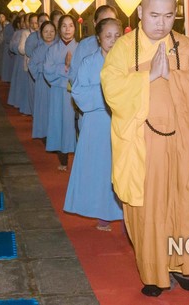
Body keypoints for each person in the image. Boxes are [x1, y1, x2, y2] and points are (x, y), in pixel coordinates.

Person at [100, 0, 189, 297]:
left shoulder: (185, 46)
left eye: (168, 16)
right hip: (144, 145)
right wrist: (147, 76)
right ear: (140, 12)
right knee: (150, 211)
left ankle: (185, 266)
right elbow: (111, 86)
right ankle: (154, 272)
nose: (161, 23)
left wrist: (174, 78)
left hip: (184, 144)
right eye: (154, 15)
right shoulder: (125, 48)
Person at [64, 18, 123, 230]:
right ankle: (103, 212)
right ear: (99, 39)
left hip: (122, 123)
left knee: (122, 169)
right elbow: (78, 93)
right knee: (101, 170)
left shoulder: (129, 62)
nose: (113, 40)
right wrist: (108, 93)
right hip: (97, 123)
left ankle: (127, 215)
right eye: (108, 36)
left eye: (117, 36)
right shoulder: (89, 62)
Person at [43, 14, 78, 170]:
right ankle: (63, 159)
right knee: (61, 124)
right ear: (59, 29)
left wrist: (67, 70)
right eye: (64, 26)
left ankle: (79, 158)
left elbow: (83, 71)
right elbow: (47, 72)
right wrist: (65, 67)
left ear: (75, 28)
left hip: (76, 92)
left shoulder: (80, 48)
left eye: (71, 25)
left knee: (75, 125)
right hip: (58, 93)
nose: (67, 29)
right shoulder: (53, 49)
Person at [69, 5, 118, 84]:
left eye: (112, 21)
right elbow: (74, 76)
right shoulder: (84, 46)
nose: (108, 26)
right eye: (103, 22)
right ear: (95, 23)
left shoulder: (123, 46)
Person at [28, 20, 56, 140]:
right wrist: (40, 74)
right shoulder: (38, 50)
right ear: (41, 33)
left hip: (55, 83)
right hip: (42, 82)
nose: (49, 34)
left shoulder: (59, 47)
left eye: (51, 31)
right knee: (43, 108)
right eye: (46, 31)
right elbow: (32, 66)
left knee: (54, 108)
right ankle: (43, 132)